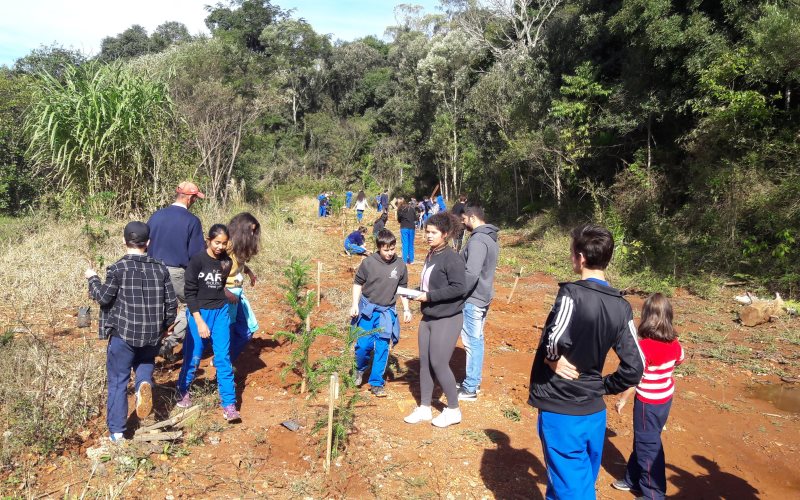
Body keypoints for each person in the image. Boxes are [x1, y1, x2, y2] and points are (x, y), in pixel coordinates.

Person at [527, 224, 644, 500]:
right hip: (593, 412)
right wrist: (603, 386)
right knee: (574, 482)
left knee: (573, 491)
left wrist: (552, 358)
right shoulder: (621, 305)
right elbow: (636, 365)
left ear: (579, 258)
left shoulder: (572, 294)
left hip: (561, 409)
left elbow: (554, 337)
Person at [85, 222, 178, 442]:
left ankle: (117, 432)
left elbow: (103, 297)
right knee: (144, 366)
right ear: (148, 243)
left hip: (123, 334)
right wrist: (164, 327)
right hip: (152, 335)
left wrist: (92, 278)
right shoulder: (160, 268)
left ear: (123, 241)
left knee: (118, 381)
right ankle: (143, 384)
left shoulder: (117, 269)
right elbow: (171, 304)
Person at [612, 293, 685, 500]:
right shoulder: (674, 343)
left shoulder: (643, 347)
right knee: (646, 438)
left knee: (648, 444)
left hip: (648, 402)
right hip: (664, 399)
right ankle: (632, 478)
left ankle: (654, 493)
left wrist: (623, 399)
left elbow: (634, 378)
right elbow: (680, 360)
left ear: (646, 317)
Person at [404, 212, 466, 428]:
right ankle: (424, 407)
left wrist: (429, 296)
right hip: (429, 315)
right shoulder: (431, 254)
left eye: (433, 233)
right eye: (427, 232)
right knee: (425, 363)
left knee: (439, 362)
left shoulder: (452, 258)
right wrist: (414, 293)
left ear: (445, 234)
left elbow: (459, 288)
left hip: (448, 317)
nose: (428, 236)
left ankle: (454, 409)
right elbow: (431, 284)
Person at [176, 224, 241, 422]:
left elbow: (220, 287)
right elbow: (190, 293)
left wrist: (228, 294)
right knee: (194, 355)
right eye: (216, 243)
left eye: (224, 243)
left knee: (223, 357)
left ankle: (229, 405)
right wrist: (199, 321)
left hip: (220, 312)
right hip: (199, 312)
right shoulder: (197, 260)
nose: (220, 247)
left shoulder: (227, 262)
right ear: (208, 240)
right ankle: (182, 390)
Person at [147, 181, 206, 362]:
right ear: (189, 198)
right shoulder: (192, 221)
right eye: (195, 198)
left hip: (151, 268)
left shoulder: (156, 216)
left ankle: (148, 348)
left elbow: (146, 243)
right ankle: (168, 344)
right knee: (195, 305)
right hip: (175, 272)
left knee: (155, 309)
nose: (195, 201)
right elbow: (195, 255)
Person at [350, 229, 412, 397]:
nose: (390, 253)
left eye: (392, 249)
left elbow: (402, 289)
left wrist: (406, 308)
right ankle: (359, 369)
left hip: (386, 312)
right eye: (386, 249)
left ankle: (376, 382)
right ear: (379, 247)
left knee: (382, 347)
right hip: (368, 310)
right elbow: (357, 284)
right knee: (363, 345)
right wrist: (354, 305)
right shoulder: (369, 262)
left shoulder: (399, 265)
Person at [458, 204, 499, 401]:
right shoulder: (490, 238)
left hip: (472, 298)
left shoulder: (478, 240)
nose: (463, 223)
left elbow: (472, 273)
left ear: (472, 217)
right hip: (482, 295)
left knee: (472, 342)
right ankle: (473, 381)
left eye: (464, 220)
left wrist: (458, 294)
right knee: (477, 339)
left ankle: (470, 387)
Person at [226, 212, 261, 363]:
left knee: (247, 331)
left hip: (236, 293)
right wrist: (224, 291)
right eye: (250, 230)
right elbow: (213, 270)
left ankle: (225, 359)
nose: (253, 234)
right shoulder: (226, 246)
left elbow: (238, 265)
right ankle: (223, 361)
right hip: (228, 296)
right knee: (235, 330)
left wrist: (249, 272)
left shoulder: (238, 247)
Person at [396, 196, 417, 265]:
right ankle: (411, 260)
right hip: (411, 227)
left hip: (404, 227)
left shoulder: (399, 209)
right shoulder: (412, 208)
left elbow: (399, 220)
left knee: (405, 244)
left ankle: (404, 261)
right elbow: (415, 218)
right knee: (411, 244)